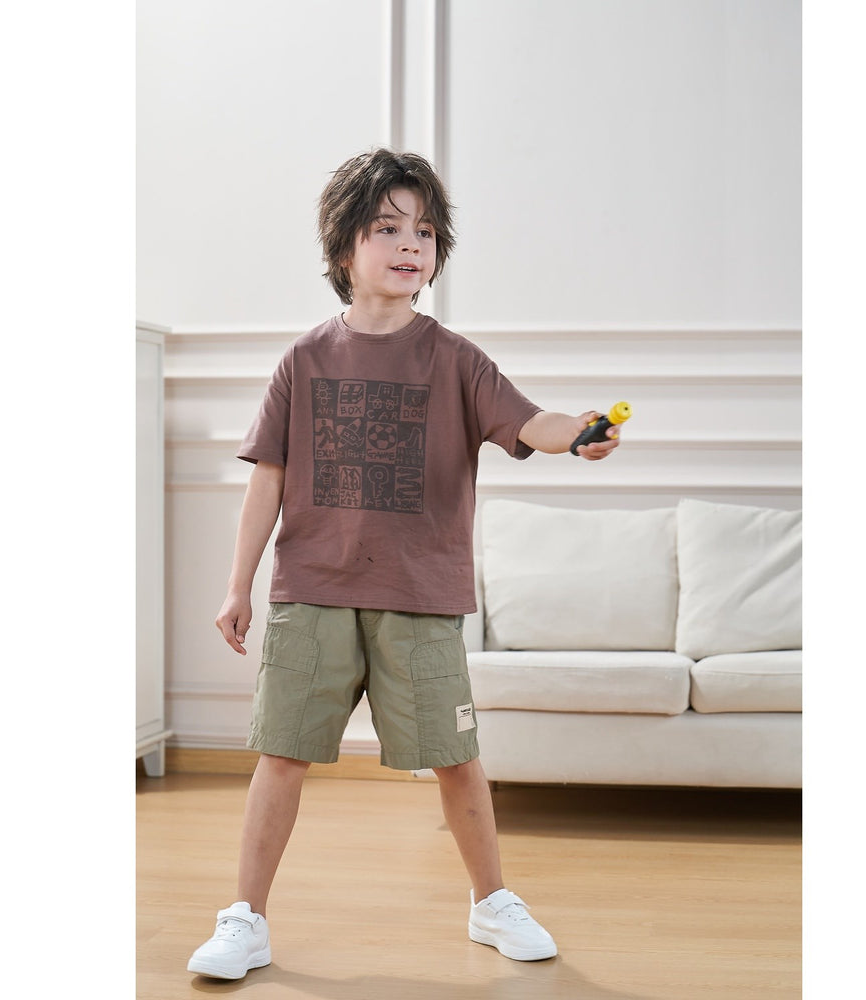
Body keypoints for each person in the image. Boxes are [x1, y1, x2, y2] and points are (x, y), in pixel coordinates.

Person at [187, 148, 621, 980]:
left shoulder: (456, 360)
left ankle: (491, 902)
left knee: (455, 758)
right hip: (312, 591)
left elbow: (531, 423)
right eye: (387, 228)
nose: (410, 244)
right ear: (343, 247)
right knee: (281, 755)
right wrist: (238, 586)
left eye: (424, 232)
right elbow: (267, 480)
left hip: (420, 597)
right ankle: (246, 918)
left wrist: (579, 434)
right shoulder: (303, 359)